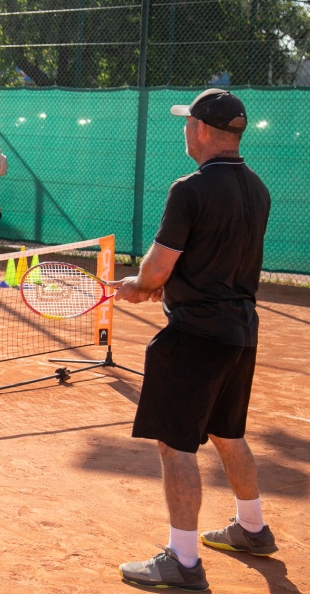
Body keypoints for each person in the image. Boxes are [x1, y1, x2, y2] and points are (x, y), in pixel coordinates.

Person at [112, 89, 275, 592]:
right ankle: (252, 528)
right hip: (239, 334)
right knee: (227, 434)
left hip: (196, 336)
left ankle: (182, 562)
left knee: (176, 445)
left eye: (188, 123)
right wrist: (153, 286)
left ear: (203, 130)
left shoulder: (190, 189)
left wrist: (138, 287)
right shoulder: (258, 188)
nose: (184, 130)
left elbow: (159, 267)